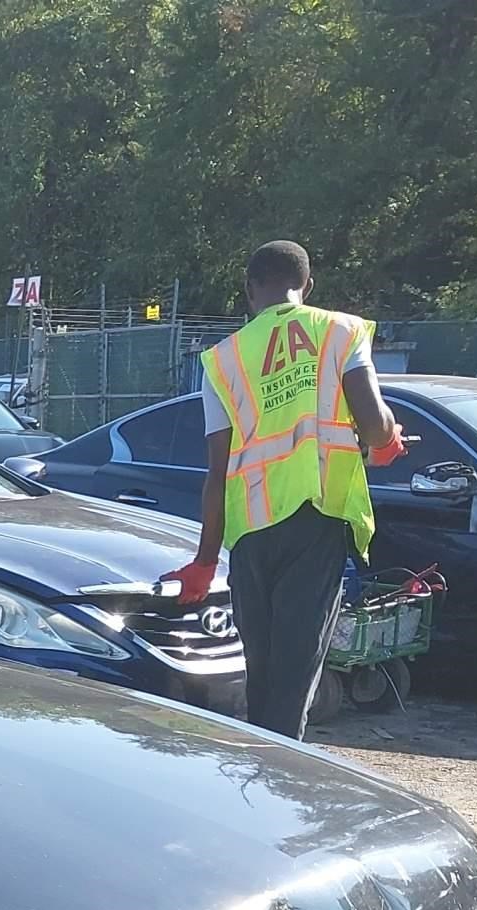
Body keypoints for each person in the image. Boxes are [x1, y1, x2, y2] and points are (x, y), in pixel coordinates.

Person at [167, 241, 404, 737]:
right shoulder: (340, 332)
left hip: (251, 531)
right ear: (308, 285)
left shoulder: (225, 360)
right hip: (317, 517)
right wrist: (387, 438)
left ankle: (259, 781)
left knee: (263, 676)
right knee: (295, 680)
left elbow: (218, 471)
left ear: (250, 291)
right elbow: (375, 428)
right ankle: (277, 787)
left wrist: (205, 560)